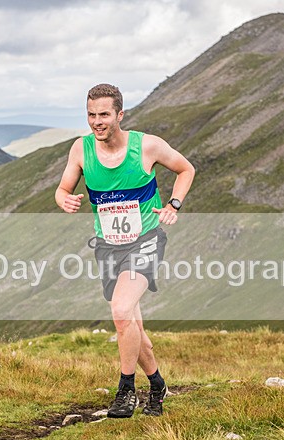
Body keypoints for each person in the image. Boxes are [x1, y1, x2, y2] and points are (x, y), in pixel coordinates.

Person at [55, 83, 195, 418]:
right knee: (132, 327)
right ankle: (158, 385)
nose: (97, 122)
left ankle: (126, 389)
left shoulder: (146, 146)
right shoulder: (81, 149)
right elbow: (62, 189)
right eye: (91, 115)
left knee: (120, 310)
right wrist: (66, 200)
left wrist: (174, 204)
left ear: (120, 114)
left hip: (145, 241)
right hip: (107, 247)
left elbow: (185, 169)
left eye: (104, 114)